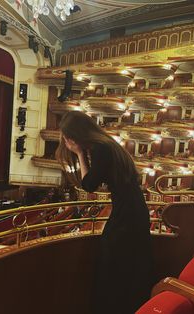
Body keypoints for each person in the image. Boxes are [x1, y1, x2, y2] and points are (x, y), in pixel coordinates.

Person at [56, 111, 153, 314]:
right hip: (133, 208)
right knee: (126, 263)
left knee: (113, 264)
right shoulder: (106, 144)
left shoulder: (100, 148)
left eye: (67, 137)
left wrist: (79, 154)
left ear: (75, 135)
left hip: (127, 213)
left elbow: (89, 184)